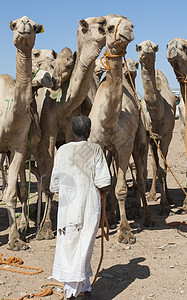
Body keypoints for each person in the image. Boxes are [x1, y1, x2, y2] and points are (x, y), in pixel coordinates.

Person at [50, 116, 111, 299]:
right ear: (89, 130)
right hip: (88, 207)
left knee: (69, 246)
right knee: (84, 246)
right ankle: (74, 293)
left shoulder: (62, 150)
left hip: (67, 208)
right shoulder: (95, 150)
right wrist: (103, 191)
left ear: (72, 130)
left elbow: (54, 185)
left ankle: (82, 287)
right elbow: (104, 181)